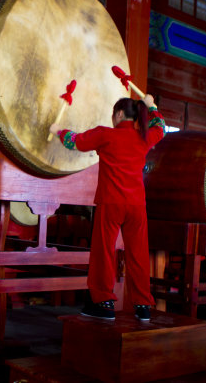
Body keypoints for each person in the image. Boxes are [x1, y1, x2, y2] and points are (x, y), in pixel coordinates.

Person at [50, 94, 165, 321]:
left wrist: (57, 130)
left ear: (119, 114)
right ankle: (143, 306)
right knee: (139, 254)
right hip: (136, 206)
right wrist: (152, 106)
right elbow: (159, 126)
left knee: (104, 252)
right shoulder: (144, 137)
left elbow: (76, 141)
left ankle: (103, 303)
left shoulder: (106, 134)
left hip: (111, 202)